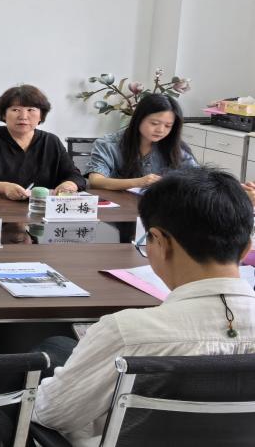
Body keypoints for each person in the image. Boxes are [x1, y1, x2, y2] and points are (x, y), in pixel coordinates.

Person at [33, 167, 255, 446]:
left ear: (159, 242)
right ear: (245, 249)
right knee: (58, 347)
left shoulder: (127, 333)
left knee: (34, 374)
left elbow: (52, 414)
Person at [0, 84, 85, 199]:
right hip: (0, 205)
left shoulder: (51, 141)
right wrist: (5, 187)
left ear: (41, 115)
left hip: (43, 206)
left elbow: (76, 176)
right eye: (15, 110)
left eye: (31, 110)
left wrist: (69, 185)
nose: (23, 116)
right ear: (4, 115)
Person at [86, 93, 198, 191]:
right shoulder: (108, 144)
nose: (161, 130)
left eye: (168, 126)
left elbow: (198, 179)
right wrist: (139, 182)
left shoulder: (176, 147)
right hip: (120, 205)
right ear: (139, 119)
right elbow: (96, 181)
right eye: (154, 123)